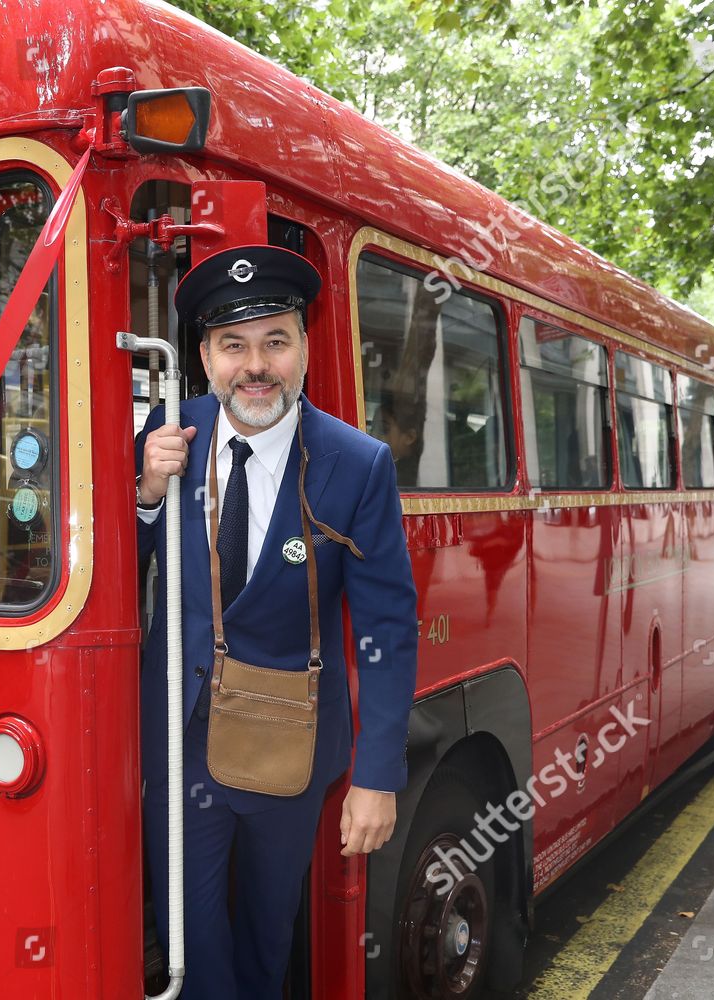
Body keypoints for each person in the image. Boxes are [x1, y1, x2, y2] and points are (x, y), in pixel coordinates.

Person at [135, 244, 418, 998]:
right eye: (233, 346)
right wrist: (146, 493)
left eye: (274, 342)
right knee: (191, 941)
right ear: (203, 357)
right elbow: (102, 569)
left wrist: (377, 777)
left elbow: (386, 626)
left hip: (287, 743)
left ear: (303, 349)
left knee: (267, 934)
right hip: (181, 740)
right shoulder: (166, 439)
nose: (254, 366)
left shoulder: (357, 464)